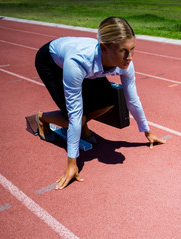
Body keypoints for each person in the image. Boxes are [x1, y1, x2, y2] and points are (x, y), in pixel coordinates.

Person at [27, 16, 165, 190]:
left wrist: (147, 132)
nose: (129, 57)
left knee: (109, 100)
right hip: (52, 62)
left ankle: (83, 126)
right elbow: (75, 113)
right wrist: (72, 163)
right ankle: (42, 118)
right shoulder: (77, 62)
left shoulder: (125, 62)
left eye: (132, 49)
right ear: (104, 48)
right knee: (74, 118)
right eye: (123, 50)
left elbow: (132, 99)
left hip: (92, 67)